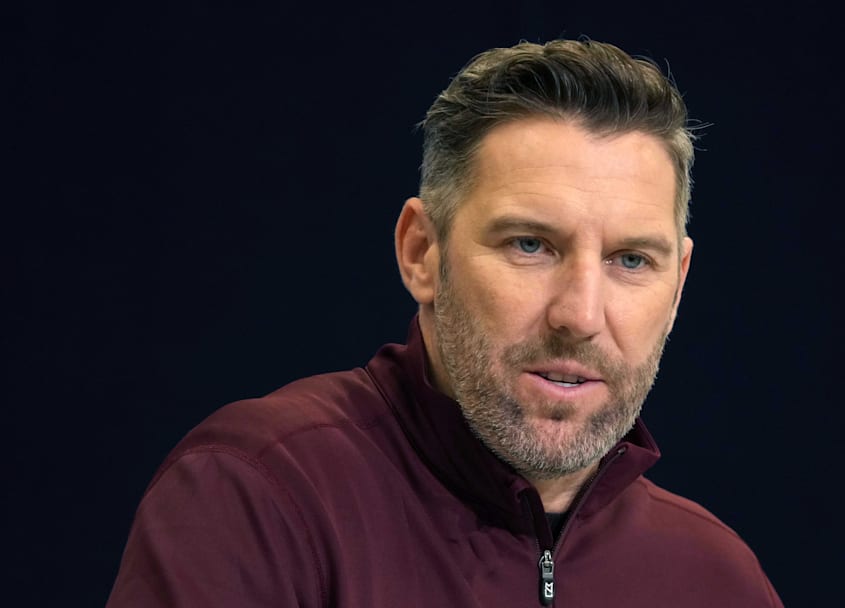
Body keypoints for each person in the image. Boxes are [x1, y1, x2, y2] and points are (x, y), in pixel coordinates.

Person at [107, 39, 783, 607]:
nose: (580, 315)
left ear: (678, 284)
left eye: (631, 260)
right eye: (530, 245)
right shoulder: (260, 496)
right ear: (421, 253)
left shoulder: (717, 580)